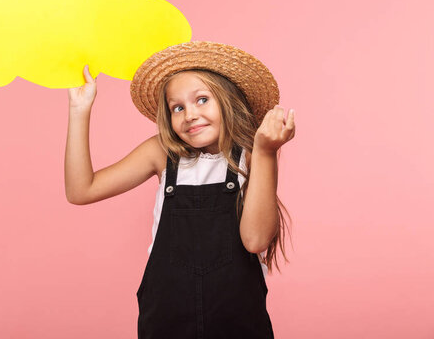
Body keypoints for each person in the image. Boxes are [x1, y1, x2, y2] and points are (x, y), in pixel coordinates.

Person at [64, 41, 295, 339]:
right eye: (177, 107)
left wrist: (265, 152)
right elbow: (81, 190)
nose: (189, 115)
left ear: (229, 100)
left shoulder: (251, 156)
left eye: (201, 100)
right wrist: (79, 110)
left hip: (238, 324)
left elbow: (255, 240)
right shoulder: (161, 154)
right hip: (165, 322)